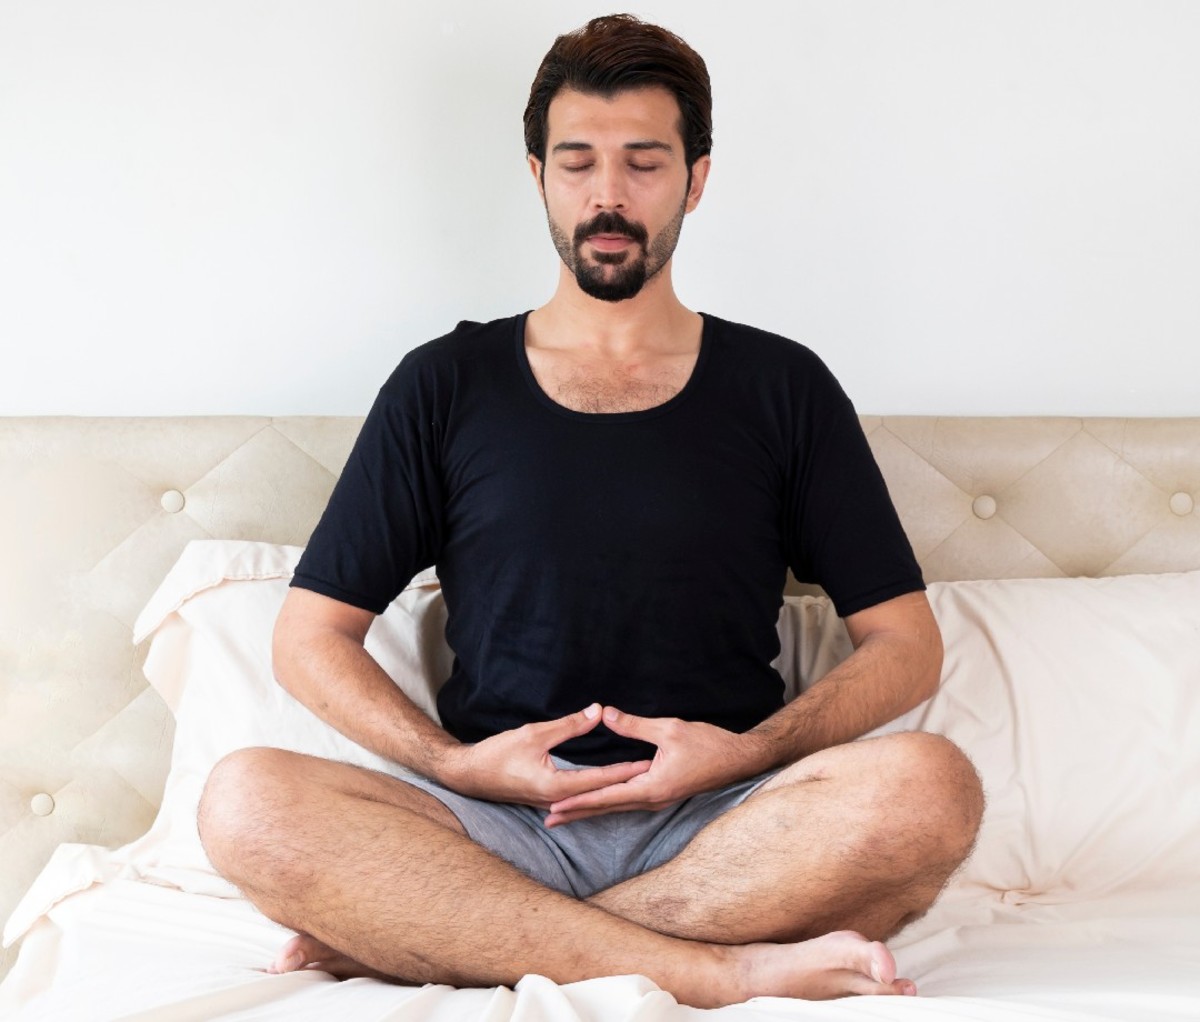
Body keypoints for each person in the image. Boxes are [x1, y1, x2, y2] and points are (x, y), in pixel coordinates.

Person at [198, 13, 984, 1008]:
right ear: (537, 175)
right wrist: (458, 763)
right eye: (577, 163)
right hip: (493, 821)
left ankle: (444, 934)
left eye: (643, 163)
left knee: (930, 788)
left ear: (696, 179)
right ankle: (713, 967)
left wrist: (750, 751)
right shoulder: (444, 384)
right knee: (246, 802)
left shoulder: (784, 387)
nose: (607, 196)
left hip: (725, 824)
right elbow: (310, 637)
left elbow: (906, 644)